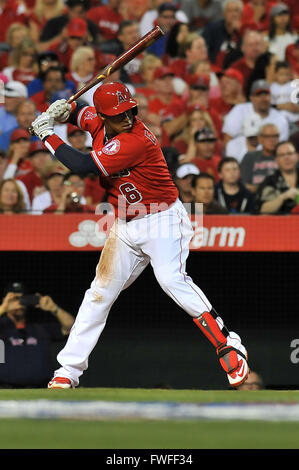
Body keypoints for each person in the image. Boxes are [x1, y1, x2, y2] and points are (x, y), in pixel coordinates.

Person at [30, 81, 249, 389]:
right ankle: (68, 370)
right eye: (119, 114)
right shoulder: (98, 119)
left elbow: (81, 165)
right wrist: (60, 110)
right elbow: (82, 113)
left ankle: (228, 342)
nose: (128, 118)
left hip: (162, 219)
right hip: (125, 223)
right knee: (98, 293)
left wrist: (47, 134)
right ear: (104, 115)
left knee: (171, 279)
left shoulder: (135, 140)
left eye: (130, 111)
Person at [0, 282, 74, 388]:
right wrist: (3, 307)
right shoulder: (2, 326)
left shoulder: (39, 326)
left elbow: (70, 327)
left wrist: (54, 308)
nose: (18, 303)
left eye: (22, 299)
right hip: (6, 388)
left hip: (41, 387)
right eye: (14, 299)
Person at [222, 79, 290, 146]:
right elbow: (227, 138)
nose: (263, 98)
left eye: (266, 94)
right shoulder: (239, 110)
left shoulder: (280, 119)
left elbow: (281, 147)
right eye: (259, 95)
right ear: (251, 98)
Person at [255, 140, 299, 214]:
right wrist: (283, 197)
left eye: (290, 153)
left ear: (297, 156)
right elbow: (263, 211)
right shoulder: (269, 182)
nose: (286, 158)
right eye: (282, 155)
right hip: (279, 223)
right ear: (276, 159)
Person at [240, 123, 280, 193]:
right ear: (260, 139)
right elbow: (245, 185)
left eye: (275, 136)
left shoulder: (284, 156)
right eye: (268, 136)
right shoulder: (250, 157)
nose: (272, 140)